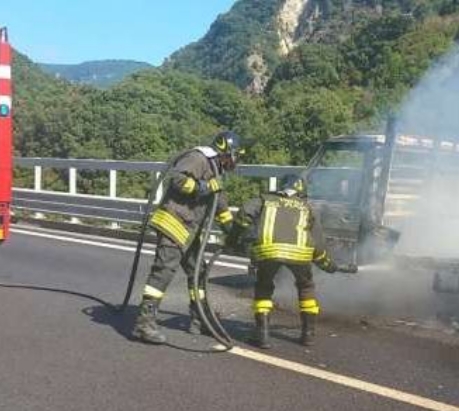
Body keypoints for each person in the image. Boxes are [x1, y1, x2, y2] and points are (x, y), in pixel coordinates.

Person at [130, 131, 241, 345]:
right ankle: (144, 323)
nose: (236, 162)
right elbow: (177, 180)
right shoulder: (199, 158)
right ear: (226, 151)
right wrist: (204, 187)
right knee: (163, 272)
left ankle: (199, 318)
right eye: (235, 156)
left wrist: (232, 232)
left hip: (189, 229)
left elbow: (220, 204)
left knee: (198, 272)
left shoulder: (215, 169)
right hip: (174, 223)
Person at [227, 174, 354, 349]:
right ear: (301, 190)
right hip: (300, 254)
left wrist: (233, 240)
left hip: (268, 251)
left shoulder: (265, 199)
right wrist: (328, 265)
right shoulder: (307, 207)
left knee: (264, 286)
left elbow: (243, 214)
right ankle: (308, 335)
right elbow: (318, 244)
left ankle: (262, 335)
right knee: (306, 286)